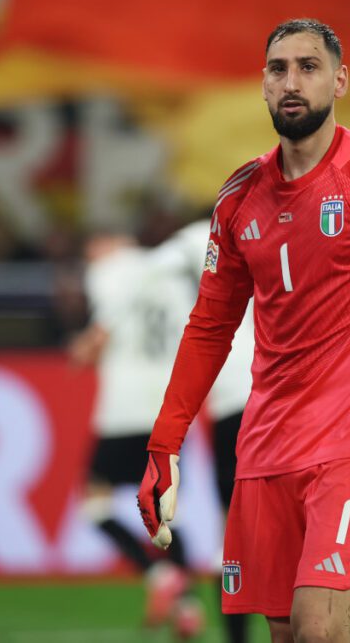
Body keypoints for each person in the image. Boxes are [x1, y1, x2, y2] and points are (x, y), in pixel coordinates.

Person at [137, 19, 350, 643]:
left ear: (340, 81)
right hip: (267, 447)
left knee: (317, 628)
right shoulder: (239, 200)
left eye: (308, 67)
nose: (291, 82)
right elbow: (210, 325)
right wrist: (165, 446)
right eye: (278, 69)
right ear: (263, 85)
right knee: (291, 636)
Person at [71, 232, 204, 639]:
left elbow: (96, 341)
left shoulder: (110, 273)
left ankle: (158, 574)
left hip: (124, 407)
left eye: (92, 245)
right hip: (171, 404)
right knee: (166, 507)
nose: (88, 254)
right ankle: (188, 607)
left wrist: (78, 351)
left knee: (95, 500)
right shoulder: (174, 275)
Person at [156, 218, 256, 643]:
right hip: (282, 394)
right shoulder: (268, 237)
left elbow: (158, 262)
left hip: (239, 402)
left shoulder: (203, 236)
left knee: (232, 536)